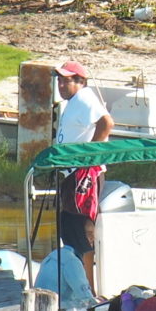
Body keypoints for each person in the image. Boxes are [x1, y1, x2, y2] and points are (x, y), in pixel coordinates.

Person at [53, 60, 112, 286]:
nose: (60, 85)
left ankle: (88, 288)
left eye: (65, 80)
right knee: (69, 229)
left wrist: (89, 157)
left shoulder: (85, 98)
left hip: (83, 174)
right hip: (70, 174)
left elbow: (106, 123)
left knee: (82, 231)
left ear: (80, 82)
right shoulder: (72, 104)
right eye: (58, 80)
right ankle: (76, 282)